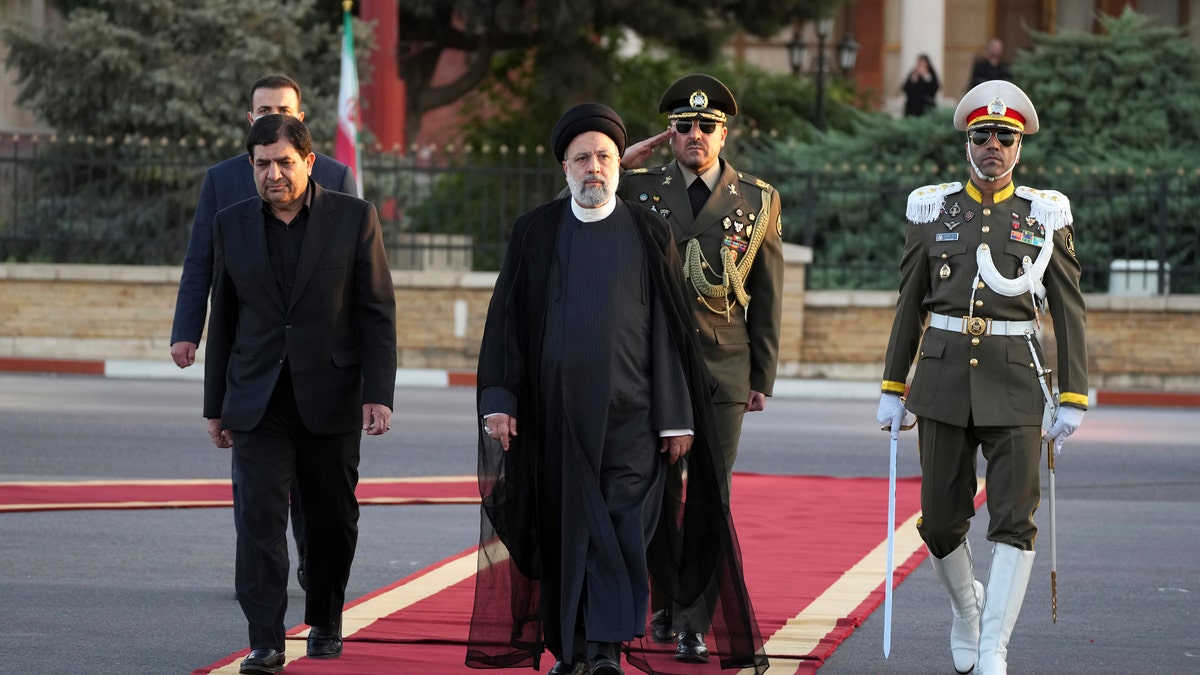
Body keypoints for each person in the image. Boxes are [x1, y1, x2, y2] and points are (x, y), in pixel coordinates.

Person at [465, 103, 766, 675]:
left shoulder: (648, 230)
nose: (594, 168)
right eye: (582, 159)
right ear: (565, 169)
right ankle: (573, 650)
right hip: (556, 418)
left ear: (619, 166)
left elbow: (670, 331)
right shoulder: (535, 231)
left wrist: (676, 415)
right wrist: (501, 399)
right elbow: (505, 320)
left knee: (622, 529)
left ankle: (604, 649)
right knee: (567, 532)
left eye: (604, 157)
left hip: (633, 417)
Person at [876, 80, 1087, 675]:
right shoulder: (934, 210)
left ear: (1019, 147)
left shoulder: (1043, 216)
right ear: (967, 142)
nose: (993, 145)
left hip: (1018, 382)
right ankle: (968, 610)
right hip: (942, 382)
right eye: (982, 135)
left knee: (1013, 519)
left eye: (1005, 137)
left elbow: (1069, 309)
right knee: (940, 520)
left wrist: (1072, 395)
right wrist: (894, 385)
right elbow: (909, 303)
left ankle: (992, 647)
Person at [203, 114, 396, 675]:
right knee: (257, 520)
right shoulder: (230, 224)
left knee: (330, 519)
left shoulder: (354, 218)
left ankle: (327, 619)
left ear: (309, 163)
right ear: (251, 168)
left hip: (332, 395)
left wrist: (378, 393)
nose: (273, 174)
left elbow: (376, 311)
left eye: (284, 163)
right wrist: (215, 406)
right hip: (257, 401)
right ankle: (264, 637)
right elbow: (226, 320)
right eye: (262, 165)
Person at [619, 73, 783, 662]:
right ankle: (664, 600)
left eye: (706, 126)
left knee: (712, 494)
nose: (695, 135)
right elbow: (572, 208)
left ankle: (694, 619)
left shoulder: (757, 199)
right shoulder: (636, 187)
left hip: (722, 365)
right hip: (650, 363)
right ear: (672, 133)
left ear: (724, 132)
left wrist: (761, 376)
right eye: (684, 126)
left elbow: (767, 294)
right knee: (658, 491)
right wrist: (622, 159)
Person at [172, 74, 356, 590]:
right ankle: (263, 582)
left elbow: (355, 275)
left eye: (284, 108)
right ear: (249, 119)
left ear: (301, 120)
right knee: (259, 488)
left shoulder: (338, 177)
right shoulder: (223, 179)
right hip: (253, 366)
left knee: (313, 487)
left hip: (316, 367)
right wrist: (188, 330)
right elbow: (199, 262)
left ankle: (310, 562)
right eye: (263, 109)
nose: (272, 173)